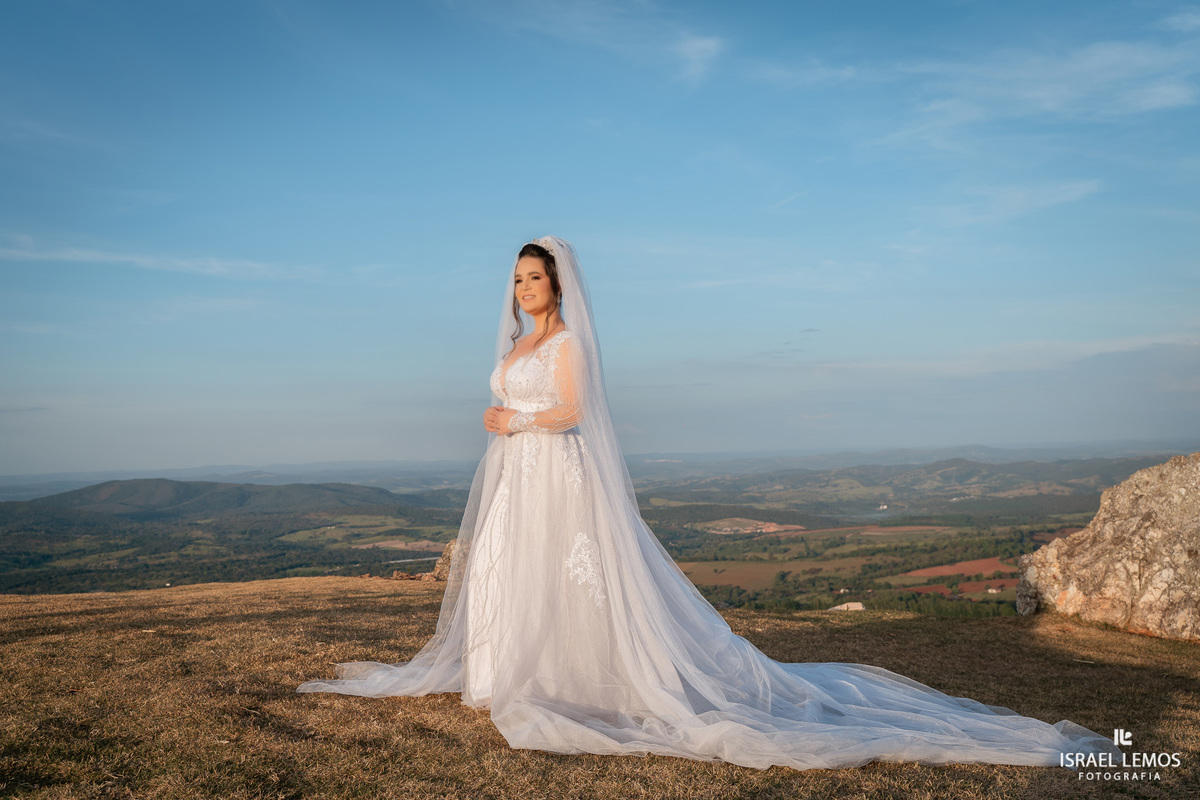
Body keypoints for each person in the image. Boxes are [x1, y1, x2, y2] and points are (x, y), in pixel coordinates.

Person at [297, 235, 1121, 771]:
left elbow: (576, 412)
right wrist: (498, 419)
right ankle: (506, 667)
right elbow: (517, 404)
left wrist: (513, 417)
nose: (525, 290)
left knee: (573, 576)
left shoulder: (570, 342)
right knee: (516, 571)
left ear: (558, 284)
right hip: (520, 475)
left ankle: (575, 672)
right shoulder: (515, 343)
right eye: (518, 280)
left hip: (558, 468)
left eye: (536, 278)